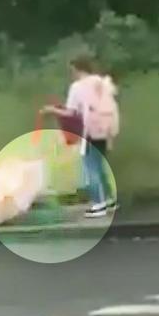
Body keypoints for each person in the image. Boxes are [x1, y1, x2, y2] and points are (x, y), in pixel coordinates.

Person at [43, 57, 119, 218]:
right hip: (107, 128)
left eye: (72, 71)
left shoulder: (77, 87)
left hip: (91, 130)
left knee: (90, 167)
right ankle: (109, 200)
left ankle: (99, 204)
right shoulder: (102, 82)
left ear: (77, 69)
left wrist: (52, 110)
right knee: (99, 164)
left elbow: (71, 112)